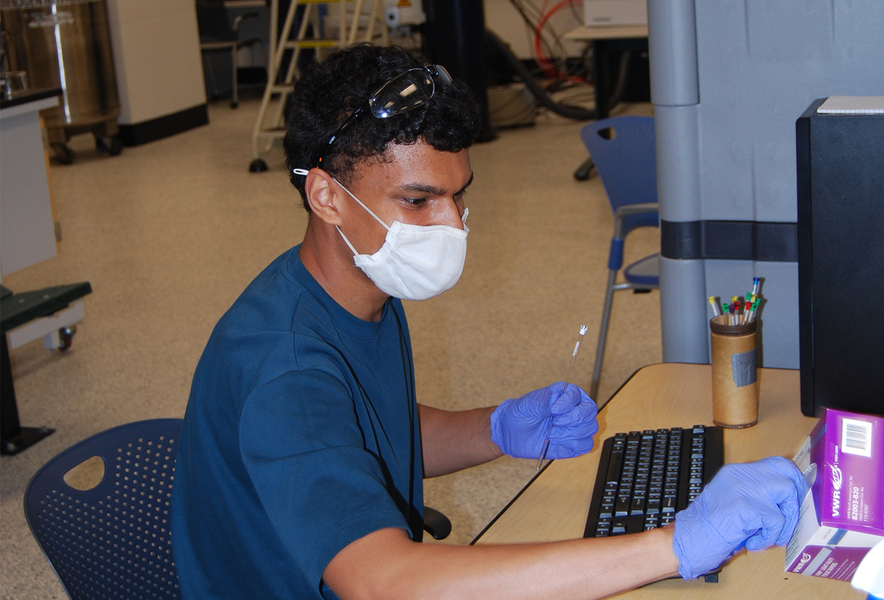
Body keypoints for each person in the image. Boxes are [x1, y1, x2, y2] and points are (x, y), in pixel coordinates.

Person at [170, 44, 807, 599]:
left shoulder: (350, 288)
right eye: (418, 200)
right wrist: (676, 545)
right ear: (327, 196)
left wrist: (497, 428)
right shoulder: (284, 366)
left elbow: (363, 432)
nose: (451, 224)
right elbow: (383, 583)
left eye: (459, 194)